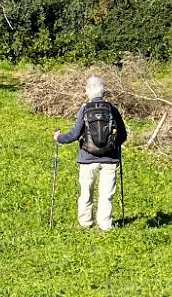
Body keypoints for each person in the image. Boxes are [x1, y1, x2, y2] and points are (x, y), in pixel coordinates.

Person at [54, 76, 127, 231]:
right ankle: (105, 225)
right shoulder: (112, 109)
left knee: (86, 192)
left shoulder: (85, 109)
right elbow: (123, 135)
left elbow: (74, 134)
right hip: (110, 159)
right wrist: (113, 145)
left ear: (87, 91)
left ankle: (86, 223)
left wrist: (59, 137)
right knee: (106, 194)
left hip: (88, 159)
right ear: (103, 90)